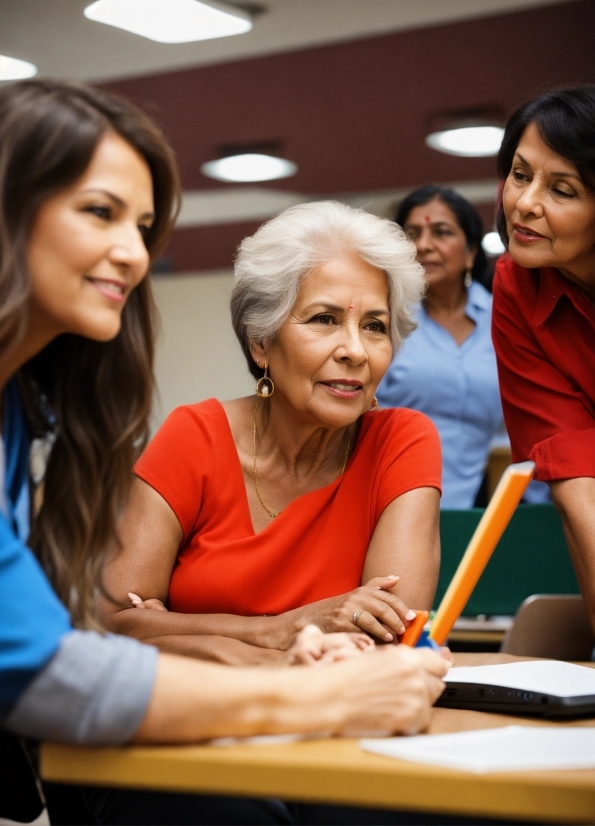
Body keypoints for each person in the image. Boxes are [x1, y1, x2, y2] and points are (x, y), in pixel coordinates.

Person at [0, 80, 450, 824]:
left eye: (143, 226)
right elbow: (63, 657)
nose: (134, 253)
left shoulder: (32, 413)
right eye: (100, 212)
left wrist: (209, 640)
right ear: (261, 343)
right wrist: (296, 669)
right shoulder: (188, 431)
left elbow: (56, 645)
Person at [100, 201, 444, 663]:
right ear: (261, 341)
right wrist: (283, 631)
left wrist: (179, 629)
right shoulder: (194, 437)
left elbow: (387, 640)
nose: (356, 351)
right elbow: (115, 625)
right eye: (324, 319)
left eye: (375, 327)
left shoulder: (402, 442)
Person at [491, 85, 595, 635]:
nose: (526, 202)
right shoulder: (516, 284)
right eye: (520, 173)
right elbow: (576, 475)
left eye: (563, 189)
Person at [375, 186, 502, 509]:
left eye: (441, 232)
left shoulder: (505, 322)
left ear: (472, 251)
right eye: (412, 234)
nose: (423, 245)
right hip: (393, 497)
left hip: (493, 503)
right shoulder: (382, 320)